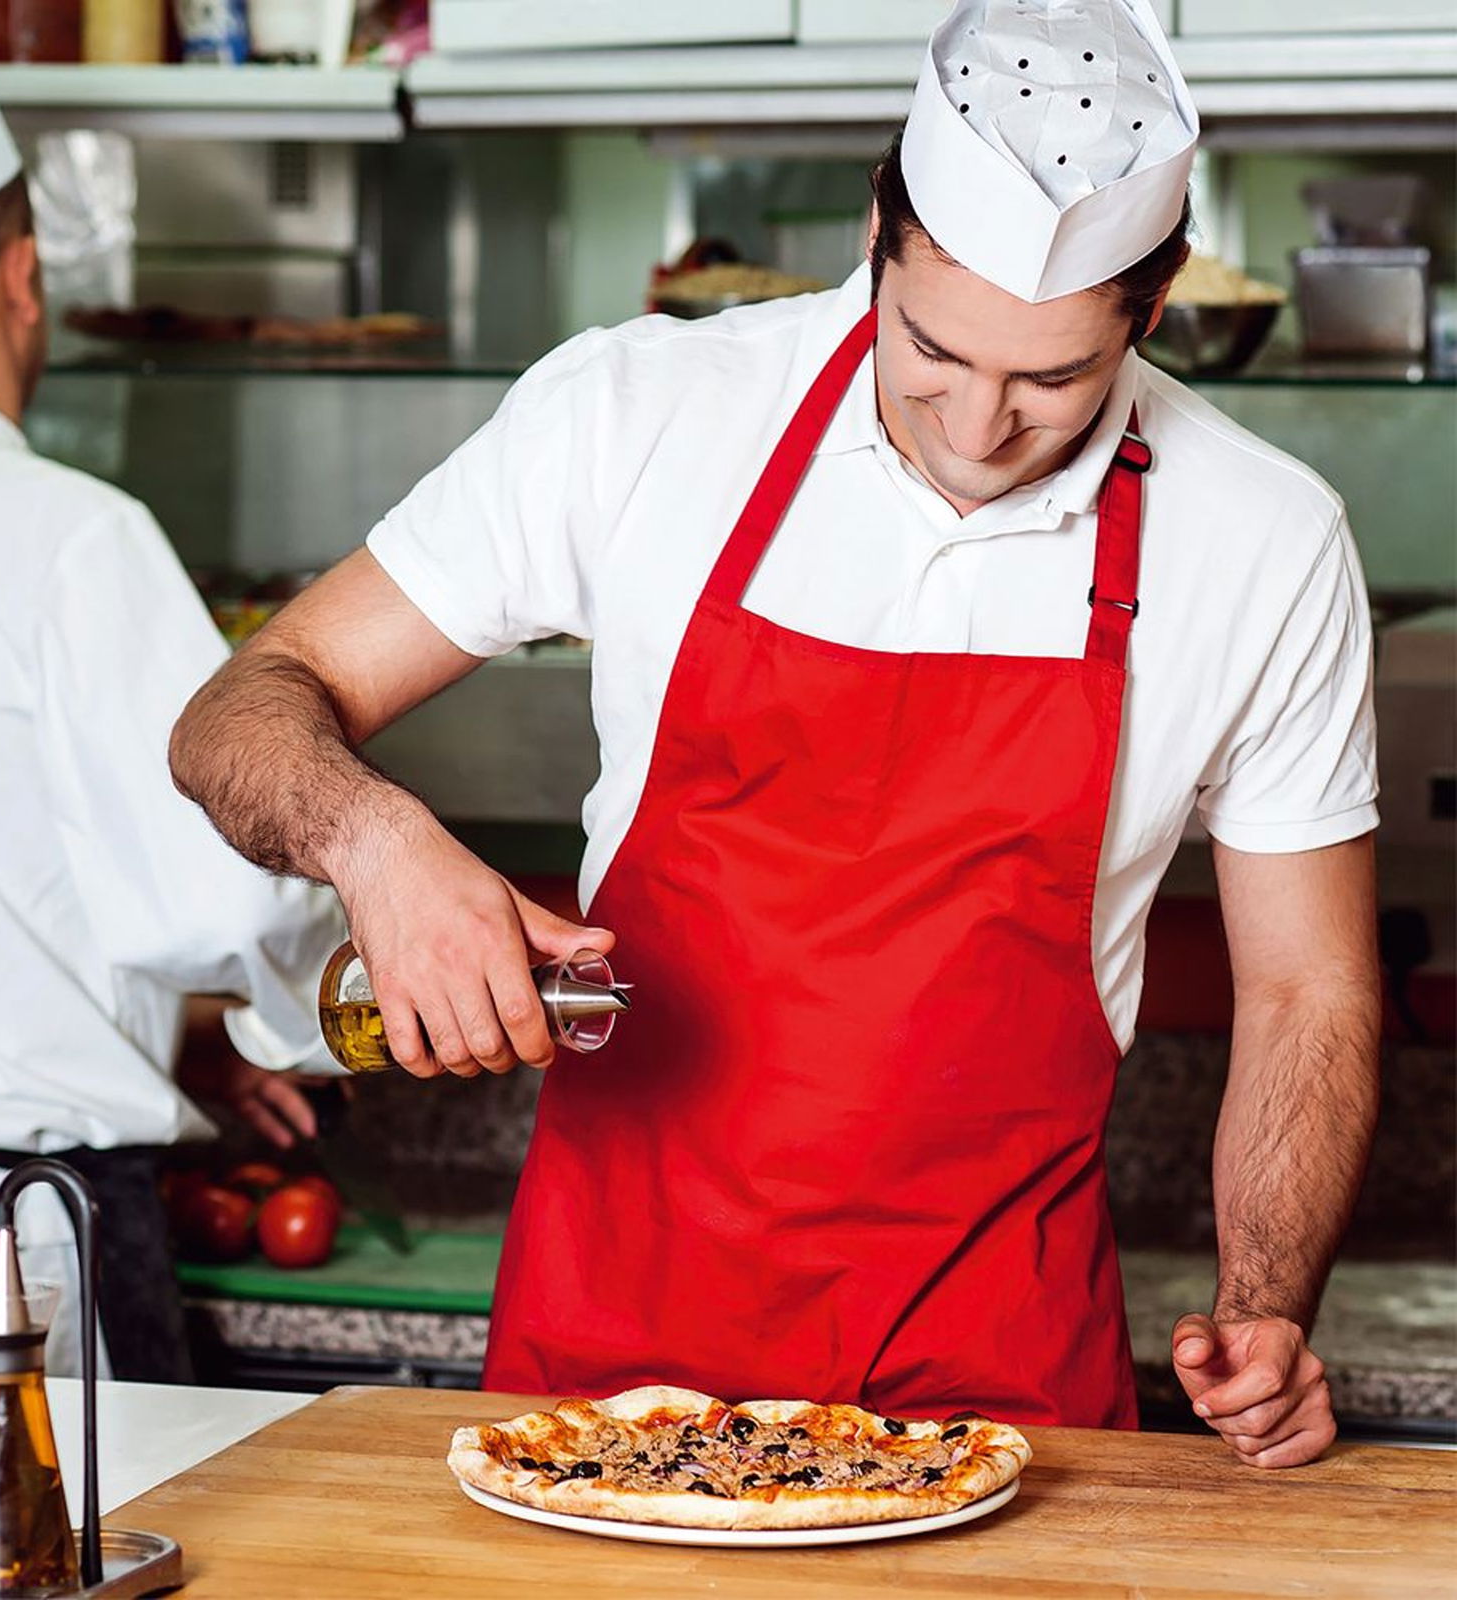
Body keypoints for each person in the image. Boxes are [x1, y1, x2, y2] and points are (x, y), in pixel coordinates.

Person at [170, 0, 1380, 1467]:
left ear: (1158, 297)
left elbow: (1308, 988)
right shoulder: (645, 413)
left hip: (995, 1381)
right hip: (608, 1352)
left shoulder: (1261, 539)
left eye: (1053, 379)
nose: (979, 425)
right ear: (879, 225)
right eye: (932, 346)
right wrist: (379, 843)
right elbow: (246, 703)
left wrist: (1265, 1306)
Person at [0, 62, 345, 1381]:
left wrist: (173, 1033)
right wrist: (294, 1020)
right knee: (74, 1583)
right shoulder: (69, 536)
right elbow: (234, 900)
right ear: (23, 278)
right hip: (21, 1251)